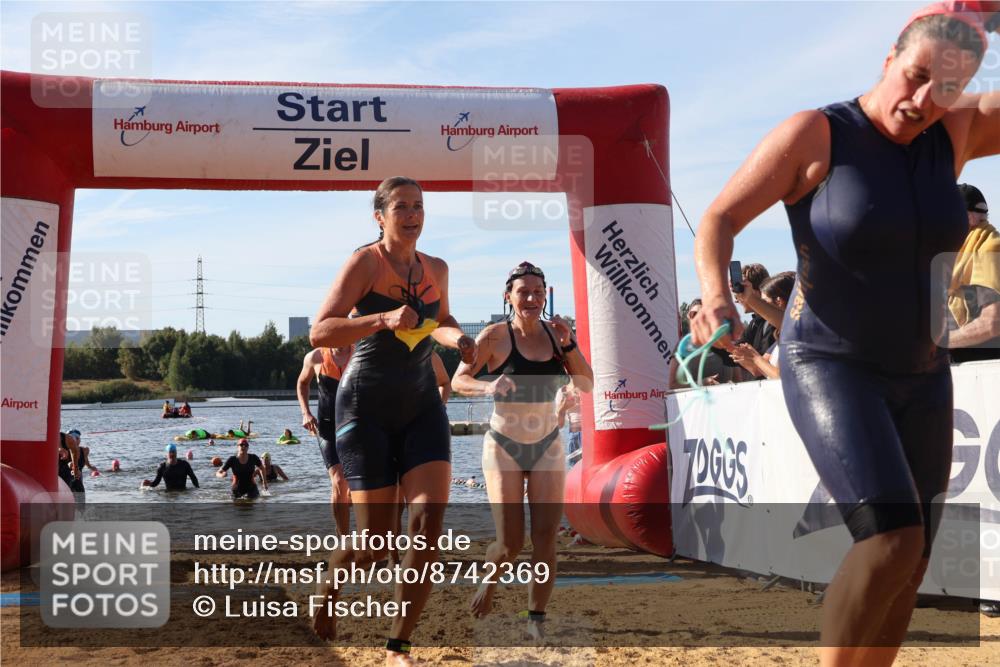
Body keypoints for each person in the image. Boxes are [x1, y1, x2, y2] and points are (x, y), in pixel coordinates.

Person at [689, 4, 999, 664]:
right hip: (832, 362)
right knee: (889, 540)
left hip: (924, 371)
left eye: (945, 89)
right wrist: (717, 297)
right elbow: (718, 218)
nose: (921, 101)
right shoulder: (819, 133)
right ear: (888, 59)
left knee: (909, 565)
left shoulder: (959, 131)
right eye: (913, 77)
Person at [308, 176, 477, 664]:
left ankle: (398, 646)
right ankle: (330, 581)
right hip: (365, 405)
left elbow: (441, 322)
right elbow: (320, 329)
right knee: (375, 545)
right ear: (379, 216)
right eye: (401, 206)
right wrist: (380, 320)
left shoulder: (437, 268)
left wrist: (458, 340)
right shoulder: (366, 262)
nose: (412, 214)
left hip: (422, 404)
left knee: (426, 526)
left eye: (419, 206)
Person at [452, 261, 594, 640]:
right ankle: (490, 577)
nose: (531, 298)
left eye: (537, 292)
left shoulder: (557, 334)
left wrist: (569, 343)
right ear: (508, 296)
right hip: (504, 446)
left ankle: (535, 619)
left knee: (546, 538)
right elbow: (458, 380)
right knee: (511, 543)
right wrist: (487, 387)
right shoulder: (495, 337)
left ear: (545, 295)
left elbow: (587, 382)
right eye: (523, 292)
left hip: (547, 444)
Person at [297, 345, 353, 535]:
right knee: (339, 481)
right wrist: (306, 413)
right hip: (327, 428)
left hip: (357, 427)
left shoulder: (361, 353)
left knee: (355, 487)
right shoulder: (316, 356)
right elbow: (302, 383)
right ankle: (343, 539)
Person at [947, 183, 1000, 362]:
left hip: (986, 372)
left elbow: (992, 323)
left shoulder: (989, 249)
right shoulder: (962, 251)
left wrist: (942, 341)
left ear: (966, 216)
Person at [729, 272, 796, 380]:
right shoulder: (779, 334)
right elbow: (757, 370)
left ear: (778, 301)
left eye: (764, 301)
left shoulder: (798, 333)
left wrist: (755, 358)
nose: (760, 305)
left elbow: (783, 378)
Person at [669, 299, 736, 388]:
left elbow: (738, 380)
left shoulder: (725, 343)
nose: (698, 319)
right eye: (694, 314)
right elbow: (672, 385)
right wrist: (702, 383)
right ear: (689, 317)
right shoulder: (682, 347)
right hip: (696, 401)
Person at [57, 430, 84, 496]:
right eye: (74, 438)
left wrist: (75, 467)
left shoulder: (68, 439)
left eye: (77, 438)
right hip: (58, 471)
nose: (76, 440)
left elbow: (74, 451)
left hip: (68, 474)